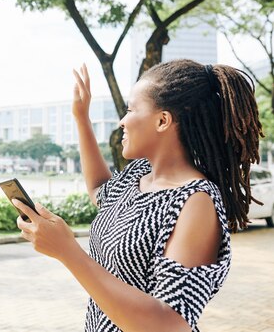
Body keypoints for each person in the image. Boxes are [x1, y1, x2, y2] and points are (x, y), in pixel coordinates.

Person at [13, 59, 262, 332]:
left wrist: (68, 251)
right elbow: (100, 189)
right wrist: (81, 119)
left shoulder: (195, 201)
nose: (122, 121)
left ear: (162, 120)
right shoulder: (139, 174)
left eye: (130, 109)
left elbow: (171, 323)